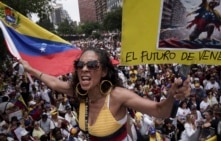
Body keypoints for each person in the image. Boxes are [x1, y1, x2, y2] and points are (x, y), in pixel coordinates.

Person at [19, 47, 191, 141]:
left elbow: (160, 111)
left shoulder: (118, 95)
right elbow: (54, 82)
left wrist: (172, 96)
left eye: (92, 65)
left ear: (103, 72)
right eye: (80, 65)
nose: (84, 69)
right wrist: (30, 69)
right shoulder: (78, 92)